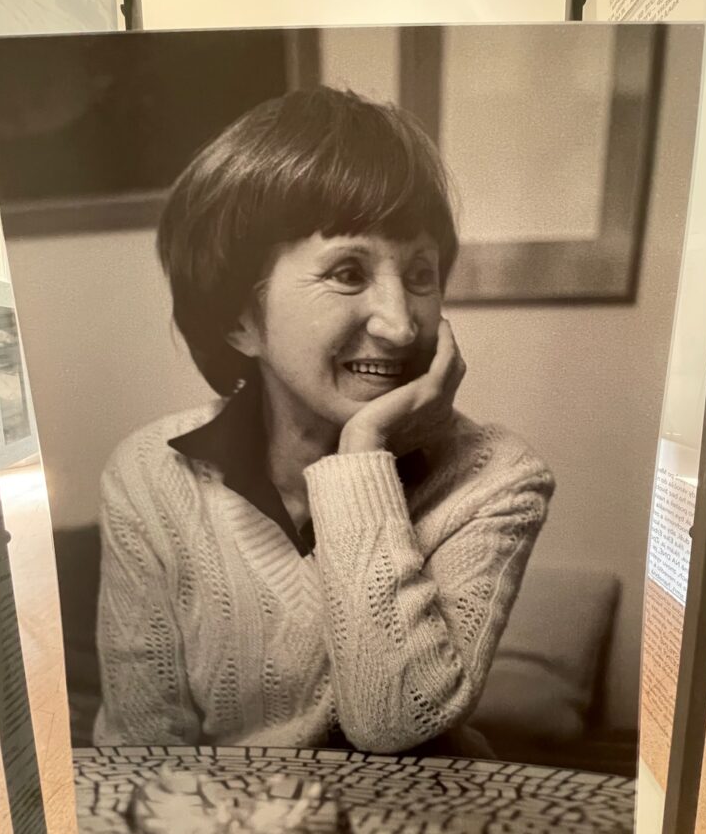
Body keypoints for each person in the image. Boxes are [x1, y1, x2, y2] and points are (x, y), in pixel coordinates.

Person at [93, 86, 554, 753]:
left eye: (420, 274)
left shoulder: (497, 478)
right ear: (240, 320)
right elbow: (141, 750)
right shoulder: (150, 475)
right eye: (347, 272)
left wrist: (359, 455)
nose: (400, 326)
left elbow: (394, 724)